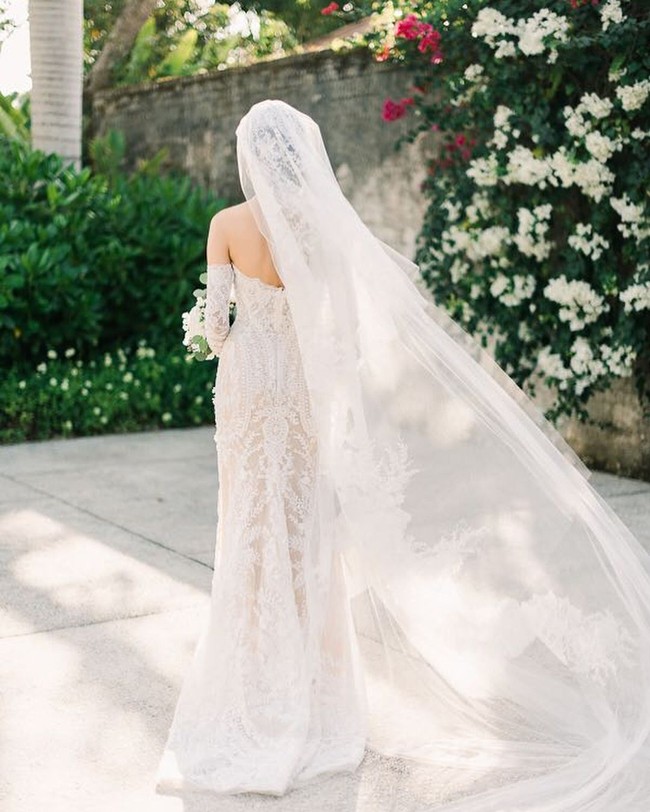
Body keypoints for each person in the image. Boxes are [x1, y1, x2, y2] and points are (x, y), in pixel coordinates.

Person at [156, 99, 650, 810]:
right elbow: (347, 338)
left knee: (252, 523)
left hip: (245, 395)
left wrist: (219, 335)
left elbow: (215, 324)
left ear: (251, 156)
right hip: (299, 393)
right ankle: (316, 692)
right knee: (308, 528)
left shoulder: (227, 225)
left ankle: (254, 676)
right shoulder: (323, 230)